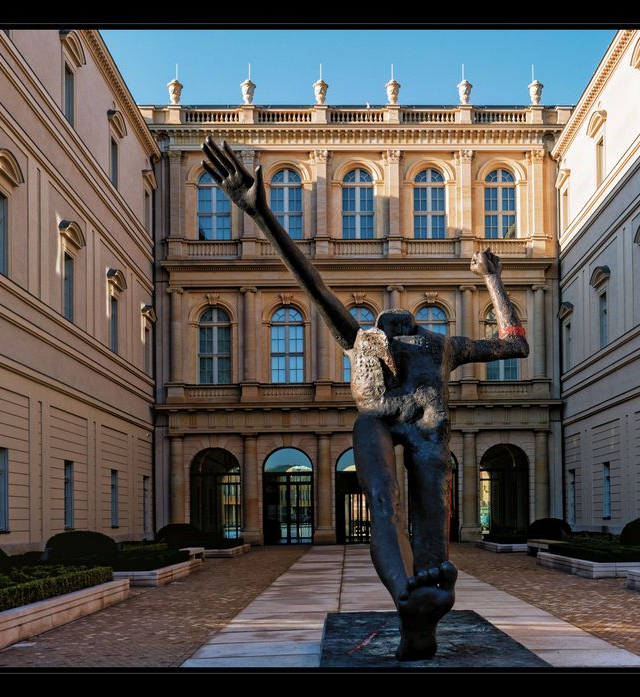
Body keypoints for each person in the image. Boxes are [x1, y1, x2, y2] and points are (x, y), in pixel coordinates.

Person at [202, 137, 529, 660]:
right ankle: (412, 597)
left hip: (417, 424)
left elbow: (516, 343)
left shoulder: (434, 343)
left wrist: (492, 278)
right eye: (384, 314)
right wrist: (261, 213)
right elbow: (314, 287)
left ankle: (418, 605)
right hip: (391, 420)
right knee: (389, 505)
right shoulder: (379, 341)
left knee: (421, 521)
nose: (391, 312)